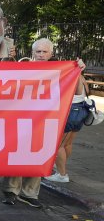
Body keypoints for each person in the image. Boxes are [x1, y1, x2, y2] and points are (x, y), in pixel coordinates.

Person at [28, 39, 87, 183]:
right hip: (78, 111)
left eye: (44, 52)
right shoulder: (63, 67)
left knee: (57, 145)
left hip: (69, 111)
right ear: (33, 53)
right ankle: (61, 167)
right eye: (38, 51)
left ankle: (62, 173)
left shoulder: (65, 68)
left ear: (51, 53)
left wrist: (78, 68)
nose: (41, 55)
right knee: (66, 144)